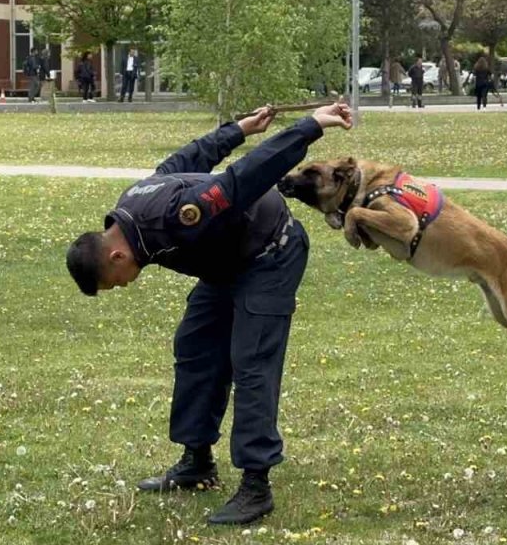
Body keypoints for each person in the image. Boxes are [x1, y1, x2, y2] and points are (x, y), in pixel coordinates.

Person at [65, 103, 354, 525]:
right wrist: (238, 129)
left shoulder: (179, 218)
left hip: (270, 253)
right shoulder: (133, 206)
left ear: (115, 254)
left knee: (252, 361)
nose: (125, 284)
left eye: (116, 280)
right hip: (226, 264)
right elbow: (185, 160)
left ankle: (256, 485)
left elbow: (245, 177)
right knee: (196, 346)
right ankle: (196, 460)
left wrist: (309, 127)